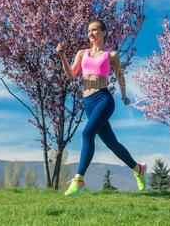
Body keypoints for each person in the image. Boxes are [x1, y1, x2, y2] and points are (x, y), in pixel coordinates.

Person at [56, 19, 147, 197]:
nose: (90, 33)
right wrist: (62, 56)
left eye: (95, 30)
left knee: (87, 133)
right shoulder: (82, 53)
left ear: (104, 32)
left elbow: (120, 75)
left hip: (103, 99)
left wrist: (124, 95)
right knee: (111, 143)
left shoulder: (110, 54)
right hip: (88, 102)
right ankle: (138, 169)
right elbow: (71, 74)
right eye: (89, 31)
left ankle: (79, 179)